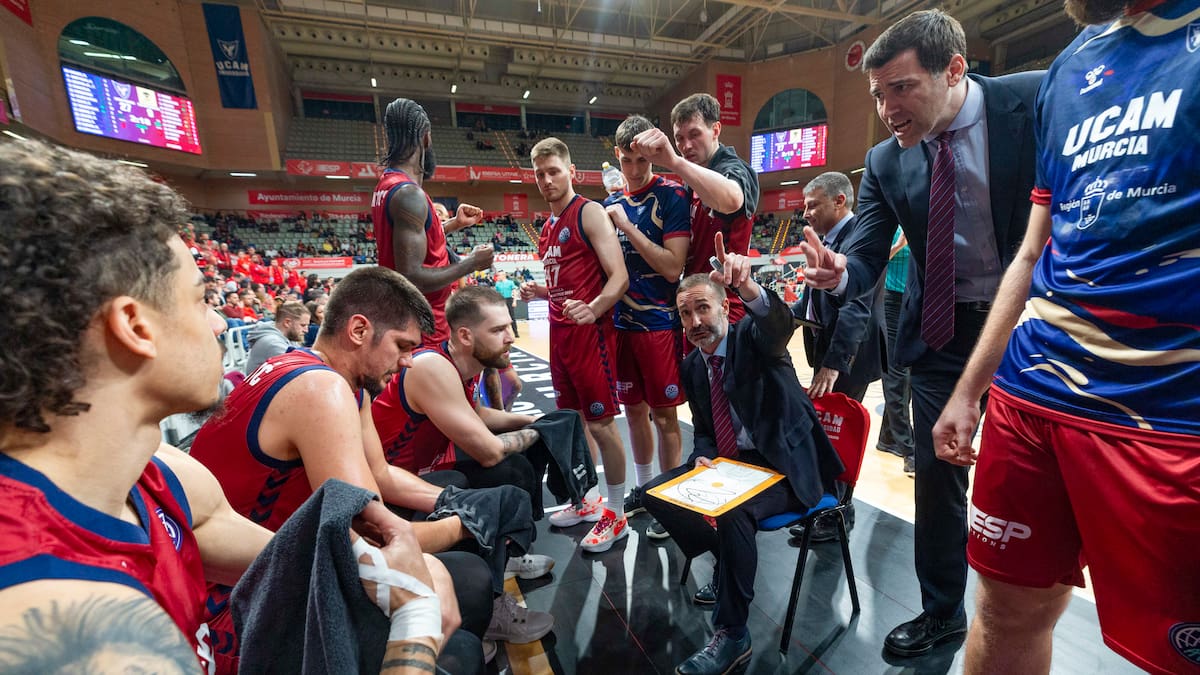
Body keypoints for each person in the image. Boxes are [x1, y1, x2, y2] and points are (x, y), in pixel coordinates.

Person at [0, 139, 451, 675]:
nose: (219, 323)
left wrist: (413, 574)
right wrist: (417, 621)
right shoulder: (62, 623)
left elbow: (311, 562)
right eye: (199, 299)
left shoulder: (159, 470)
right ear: (135, 327)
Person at [932, 0, 1200, 673]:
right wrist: (969, 390)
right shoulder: (1070, 67)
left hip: (1168, 411)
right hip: (1034, 394)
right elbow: (1034, 250)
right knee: (1003, 612)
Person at [799, 9, 1043, 657]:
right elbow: (865, 259)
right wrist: (839, 273)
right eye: (877, 94)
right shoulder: (884, 160)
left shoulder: (1033, 100)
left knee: (1034, 475)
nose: (887, 109)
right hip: (942, 329)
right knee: (935, 472)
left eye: (901, 88)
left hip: (1034, 323)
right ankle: (942, 612)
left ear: (954, 69)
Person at [641, 233, 843, 675]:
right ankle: (728, 559)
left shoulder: (753, 339)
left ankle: (733, 634)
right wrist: (702, 456)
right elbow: (705, 429)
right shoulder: (694, 365)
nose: (695, 321)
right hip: (734, 468)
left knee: (733, 512)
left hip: (787, 469)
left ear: (723, 307)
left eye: (702, 308)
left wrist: (749, 287)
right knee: (653, 494)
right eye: (685, 314)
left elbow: (777, 325)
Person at [520, 137, 631, 553]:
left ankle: (616, 514)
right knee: (573, 421)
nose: (547, 180)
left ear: (571, 172)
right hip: (560, 334)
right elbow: (565, 283)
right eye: (540, 174)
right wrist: (540, 293)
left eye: (554, 171)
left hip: (591, 334)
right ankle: (587, 500)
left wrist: (594, 308)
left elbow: (619, 277)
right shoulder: (548, 227)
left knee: (601, 424)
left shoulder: (589, 212)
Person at [601, 114, 691, 541]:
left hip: (658, 325)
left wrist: (625, 226)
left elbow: (673, 268)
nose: (635, 170)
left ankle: (669, 501)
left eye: (643, 160)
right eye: (627, 160)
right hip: (620, 326)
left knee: (665, 417)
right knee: (633, 412)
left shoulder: (672, 194)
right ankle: (646, 490)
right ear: (617, 156)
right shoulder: (608, 203)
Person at [373, 98, 494, 343]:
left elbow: (411, 244)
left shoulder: (386, 186)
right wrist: (471, 263)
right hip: (425, 330)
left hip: (409, 321)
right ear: (426, 138)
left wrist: (454, 224)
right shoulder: (409, 194)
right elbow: (411, 277)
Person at [630, 93, 759, 323]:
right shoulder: (689, 181)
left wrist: (674, 162)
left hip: (727, 309)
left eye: (695, 134)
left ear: (716, 130)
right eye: (679, 138)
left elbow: (732, 199)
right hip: (694, 304)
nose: (686, 146)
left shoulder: (735, 168)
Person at [794, 172, 886, 402]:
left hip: (848, 356)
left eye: (812, 205)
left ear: (839, 201)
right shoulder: (829, 240)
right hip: (827, 346)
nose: (805, 214)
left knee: (835, 421)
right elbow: (813, 299)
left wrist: (834, 364)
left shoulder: (859, 239)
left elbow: (856, 306)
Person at [877, 227, 915, 475]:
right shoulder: (891, 225)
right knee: (896, 372)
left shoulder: (921, 221)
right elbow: (876, 260)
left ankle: (888, 437)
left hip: (914, 299)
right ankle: (909, 449)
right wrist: (900, 244)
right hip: (890, 300)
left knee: (906, 371)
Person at [244, 300, 310, 374]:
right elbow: (300, 370)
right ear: (287, 322)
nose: (306, 330)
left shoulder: (288, 336)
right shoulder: (272, 342)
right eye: (303, 325)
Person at [492, 270, 520, 337]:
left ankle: (516, 332)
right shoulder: (497, 283)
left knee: (512, 316)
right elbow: (496, 293)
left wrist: (514, 301)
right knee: (501, 317)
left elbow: (514, 291)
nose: (498, 277)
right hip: (501, 301)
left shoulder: (510, 282)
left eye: (499, 275)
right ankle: (502, 333)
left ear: (503, 276)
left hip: (509, 300)